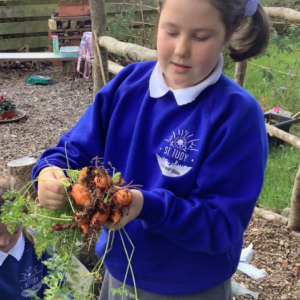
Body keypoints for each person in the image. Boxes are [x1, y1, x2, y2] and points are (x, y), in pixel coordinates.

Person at [33, 0, 269, 299]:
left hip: (191, 287)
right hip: (119, 274)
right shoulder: (127, 87)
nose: (181, 49)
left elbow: (221, 225)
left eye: (200, 37)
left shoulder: (236, 115)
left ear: (230, 31)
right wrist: (49, 171)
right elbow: (73, 150)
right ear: (159, 17)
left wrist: (148, 206)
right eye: (171, 31)